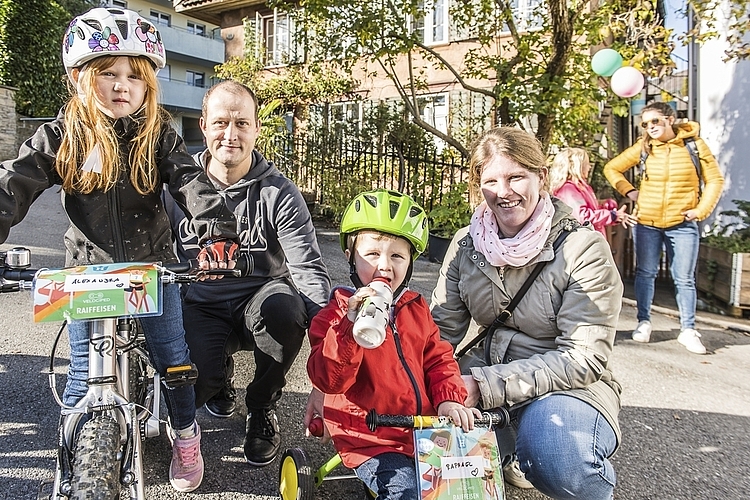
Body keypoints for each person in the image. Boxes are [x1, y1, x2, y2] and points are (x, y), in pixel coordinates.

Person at [0, 8, 240, 493]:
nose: (121, 85)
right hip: (87, 271)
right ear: (80, 78)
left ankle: (186, 435)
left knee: (173, 360)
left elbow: (192, 181)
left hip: (151, 268)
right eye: (107, 73)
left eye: (135, 75)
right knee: (81, 375)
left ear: (149, 84)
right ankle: (72, 456)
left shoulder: (157, 136)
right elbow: (13, 183)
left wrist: (216, 231)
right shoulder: (60, 136)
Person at [430, 127, 624, 500]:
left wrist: (483, 385)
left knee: (555, 456)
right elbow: (440, 331)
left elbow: (583, 359)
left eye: (516, 176)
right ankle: (509, 452)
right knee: (427, 455)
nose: (503, 192)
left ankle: (543, 455)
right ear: (478, 186)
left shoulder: (584, 249)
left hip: (568, 387)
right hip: (483, 372)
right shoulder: (465, 243)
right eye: (491, 180)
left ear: (542, 177)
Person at [164, 80, 331, 467]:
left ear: (256, 129)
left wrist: (328, 351)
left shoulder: (279, 192)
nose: (231, 134)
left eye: (242, 123)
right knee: (193, 389)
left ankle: (261, 406)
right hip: (201, 303)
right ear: (203, 125)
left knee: (287, 311)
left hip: (260, 299)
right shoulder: (176, 188)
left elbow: (307, 270)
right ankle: (218, 377)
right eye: (221, 122)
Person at [307, 189, 480, 500]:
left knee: (470, 485)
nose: (385, 266)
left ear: (411, 262)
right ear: (351, 257)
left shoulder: (416, 308)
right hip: (370, 437)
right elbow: (329, 378)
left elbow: (439, 358)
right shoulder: (334, 315)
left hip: (424, 430)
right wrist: (350, 327)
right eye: (373, 254)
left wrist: (449, 398)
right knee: (407, 493)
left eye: (397, 256)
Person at [604, 101, 724, 355]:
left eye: (655, 121)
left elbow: (714, 179)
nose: (650, 127)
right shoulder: (645, 147)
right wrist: (630, 191)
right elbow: (611, 167)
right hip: (647, 222)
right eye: (645, 123)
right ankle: (643, 322)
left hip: (682, 223)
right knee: (645, 273)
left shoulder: (693, 145)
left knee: (684, 278)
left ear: (670, 119)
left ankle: (688, 330)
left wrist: (700, 211)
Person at [549, 147, 634, 236]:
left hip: (592, 238)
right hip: (584, 241)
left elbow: (588, 209)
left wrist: (604, 205)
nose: (589, 167)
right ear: (577, 167)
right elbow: (583, 216)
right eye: (586, 164)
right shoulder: (568, 189)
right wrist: (611, 215)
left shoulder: (581, 187)